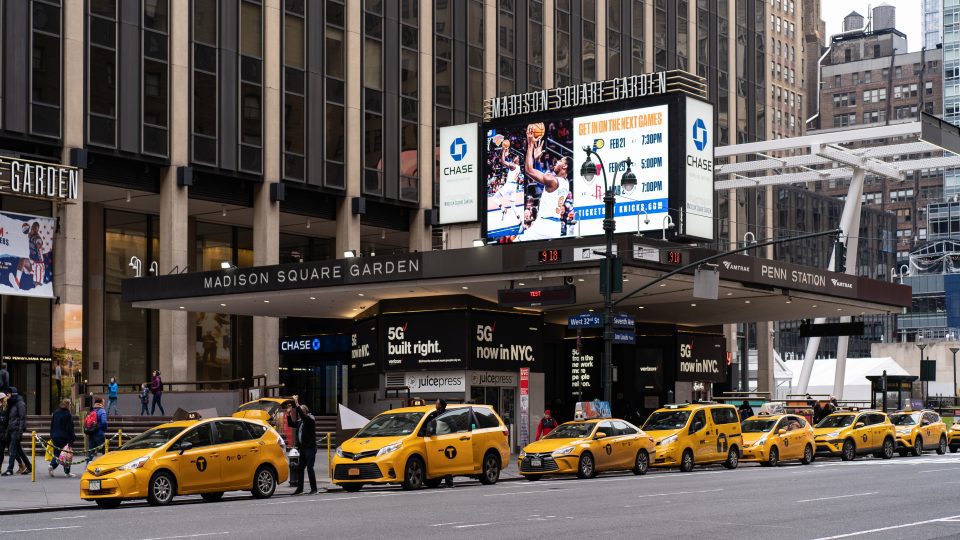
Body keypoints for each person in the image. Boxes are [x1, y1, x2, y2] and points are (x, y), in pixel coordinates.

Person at [522, 125, 571, 240]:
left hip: (544, 224)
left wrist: (530, 145)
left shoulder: (553, 180)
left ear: (564, 166)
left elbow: (529, 170)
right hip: (555, 227)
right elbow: (542, 184)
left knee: (514, 247)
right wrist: (538, 161)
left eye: (559, 161)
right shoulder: (566, 183)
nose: (556, 162)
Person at [290, 397, 317, 495]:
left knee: (310, 468)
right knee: (301, 468)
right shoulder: (301, 421)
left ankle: (314, 489)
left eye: (301, 411)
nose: (299, 413)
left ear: (305, 411)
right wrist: (289, 414)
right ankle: (300, 489)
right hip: (303, 448)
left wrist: (296, 403)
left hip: (310, 448)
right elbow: (291, 424)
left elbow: (303, 416)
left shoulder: (310, 419)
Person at [3, 387, 30, 476]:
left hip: (16, 429)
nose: (7, 395)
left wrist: (20, 431)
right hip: (11, 429)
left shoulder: (20, 403)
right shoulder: (11, 404)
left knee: (12, 449)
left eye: (9, 393)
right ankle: (29, 467)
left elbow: (22, 418)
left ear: (13, 394)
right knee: (19, 450)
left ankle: (10, 469)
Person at [49, 399, 75, 477]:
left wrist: (52, 434)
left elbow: (52, 424)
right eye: (70, 404)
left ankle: (51, 466)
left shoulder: (56, 412)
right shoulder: (67, 414)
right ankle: (67, 472)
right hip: (64, 437)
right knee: (67, 454)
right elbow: (70, 428)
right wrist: (71, 439)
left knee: (57, 453)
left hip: (55, 436)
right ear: (68, 405)